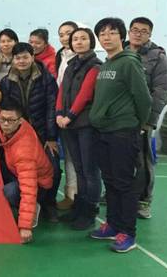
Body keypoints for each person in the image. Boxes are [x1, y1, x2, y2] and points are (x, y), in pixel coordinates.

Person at [89, 17, 152, 253]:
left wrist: (136, 124)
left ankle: (128, 232)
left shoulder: (129, 63)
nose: (106, 37)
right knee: (111, 181)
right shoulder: (106, 65)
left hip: (122, 132)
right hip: (103, 132)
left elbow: (144, 99)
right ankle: (113, 225)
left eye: (112, 33)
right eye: (102, 34)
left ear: (121, 36)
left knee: (124, 184)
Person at [0, 42, 60, 222]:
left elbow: (51, 107)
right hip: (20, 134)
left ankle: (49, 204)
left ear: (33, 57)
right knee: (21, 172)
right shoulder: (6, 82)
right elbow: (7, 108)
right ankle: (28, 203)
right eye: (18, 58)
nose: (22, 61)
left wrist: (51, 137)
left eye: (25, 57)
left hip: (43, 133)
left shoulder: (46, 79)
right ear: (13, 59)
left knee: (54, 169)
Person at [125, 17, 167, 219]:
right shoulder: (120, 52)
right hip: (118, 119)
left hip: (142, 120)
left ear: (150, 34)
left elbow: (161, 92)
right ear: (129, 31)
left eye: (143, 31)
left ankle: (144, 201)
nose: (138, 34)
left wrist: (149, 120)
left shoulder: (159, 59)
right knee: (119, 158)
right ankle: (119, 194)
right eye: (135, 30)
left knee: (142, 161)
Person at [56, 28, 102, 230]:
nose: (79, 42)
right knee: (79, 169)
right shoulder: (70, 65)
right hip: (68, 124)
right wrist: (59, 113)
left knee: (90, 170)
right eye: (75, 39)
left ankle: (90, 212)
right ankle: (79, 207)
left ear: (91, 41)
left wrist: (70, 116)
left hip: (85, 125)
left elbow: (85, 94)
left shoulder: (95, 65)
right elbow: (62, 91)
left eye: (83, 38)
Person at [0, 104, 54, 244]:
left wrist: (25, 226)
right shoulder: (17, 126)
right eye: (2, 119)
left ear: (20, 121)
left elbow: (29, 188)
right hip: (17, 171)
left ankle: (34, 208)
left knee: (10, 191)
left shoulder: (24, 150)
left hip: (39, 185)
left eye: (10, 120)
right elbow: (7, 116)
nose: (5, 124)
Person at [55, 21, 79, 211]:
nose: (65, 38)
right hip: (62, 113)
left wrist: (71, 114)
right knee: (69, 157)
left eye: (69, 33)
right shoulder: (61, 56)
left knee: (82, 160)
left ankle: (82, 199)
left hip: (78, 115)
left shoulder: (83, 59)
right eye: (61, 34)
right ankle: (71, 194)